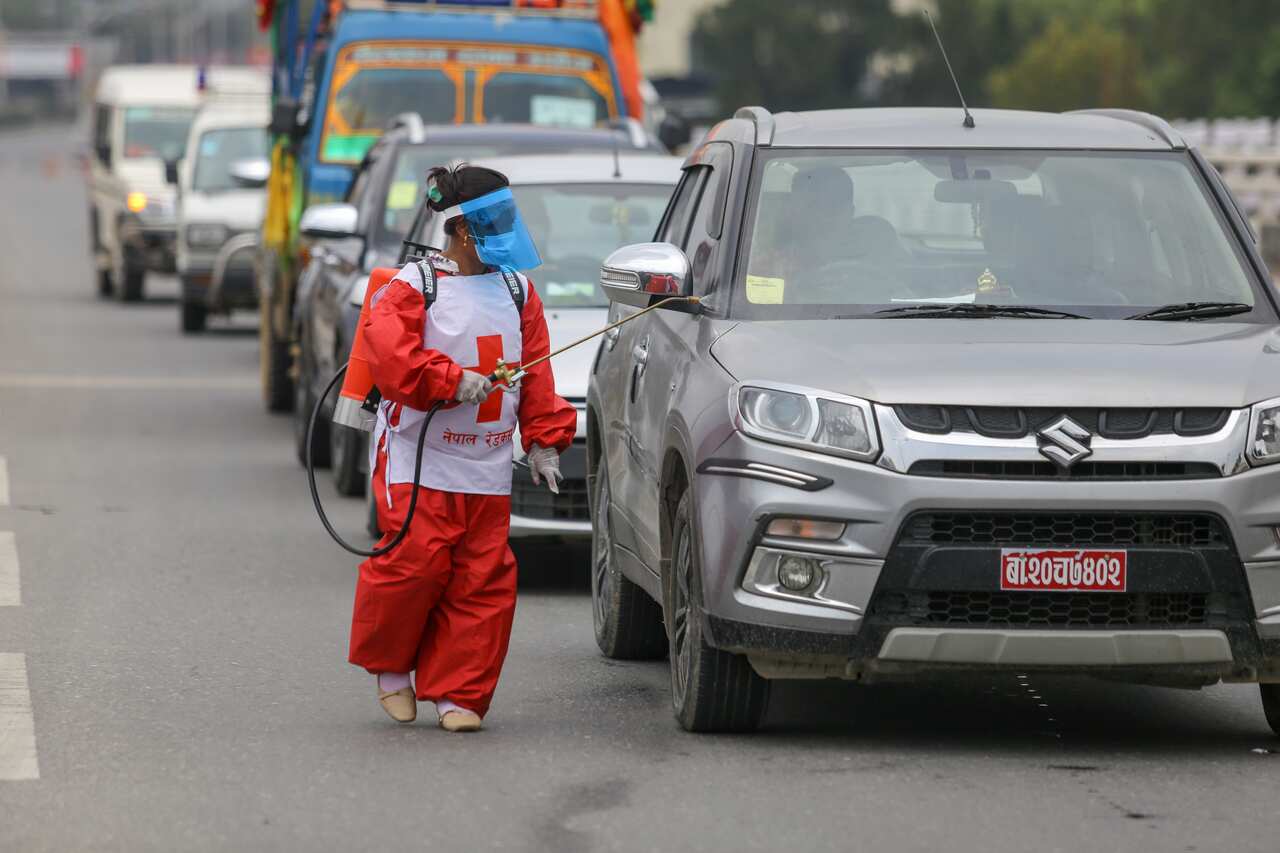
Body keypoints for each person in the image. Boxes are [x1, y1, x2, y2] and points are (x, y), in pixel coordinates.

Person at [348, 164, 576, 732]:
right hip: (419, 459)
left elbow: (537, 372)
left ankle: (460, 693)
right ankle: (393, 669)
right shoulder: (412, 288)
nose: (506, 230)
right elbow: (392, 357)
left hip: (487, 464)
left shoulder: (518, 291)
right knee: (413, 568)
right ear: (464, 228)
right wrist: (450, 379)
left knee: (483, 580)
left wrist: (546, 440)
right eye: (496, 221)